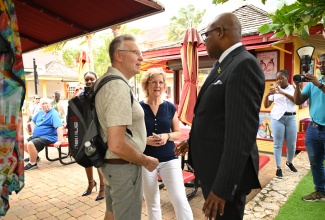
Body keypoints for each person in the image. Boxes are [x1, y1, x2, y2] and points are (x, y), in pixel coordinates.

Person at [176, 13, 265, 219]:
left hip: (224, 178)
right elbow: (217, 118)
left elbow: (240, 135)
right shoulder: (222, 65)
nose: (204, 41)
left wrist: (222, 189)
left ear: (221, 32)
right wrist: (193, 140)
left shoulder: (243, 65)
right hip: (213, 169)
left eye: (206, 35)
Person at [94, 34, 159, 220]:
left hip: (110, 164)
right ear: (119, 56)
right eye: (136, 52)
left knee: (112, 214)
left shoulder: (105, 81)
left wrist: (140, 140)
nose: (141, 58)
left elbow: (111, 132)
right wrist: (146, 161)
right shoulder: (117, 86)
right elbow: (117, 144)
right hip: (123, 167)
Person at [139, 68, 193, 220]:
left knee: (180, 198)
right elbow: (132, 136)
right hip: (146, 160)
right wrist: (145, 140)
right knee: (152, 202)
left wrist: (166, 136)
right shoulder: (138, 107)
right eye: (154, 82)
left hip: (169, 158)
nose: (158, 85)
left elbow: (178, 133)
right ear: (147, 85)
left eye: (161, 82)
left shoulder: (170, 107)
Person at [293, 53, 325, 202]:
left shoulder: (317, 82)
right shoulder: (313, 83)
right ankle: (321, 191)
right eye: (321, 63)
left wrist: (319, 84)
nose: (322, 65)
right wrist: (298, 86)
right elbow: (298, 100)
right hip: (313, 128)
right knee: (315, 162)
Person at [76, 71, 105, 201]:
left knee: (97, 160)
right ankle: (91, 183)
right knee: (86, 158)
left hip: (98, 131)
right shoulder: (81, 95)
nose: (89, 82)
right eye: (86, 79)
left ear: (96, 79)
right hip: (85, 131)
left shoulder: (101, 92)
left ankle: (103, 188)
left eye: (91, 79)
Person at [263, 70, 298, 178]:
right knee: (278, 144)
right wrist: (268, 94)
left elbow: (297, 101)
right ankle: (278, 168)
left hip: (291, 118)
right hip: (277, 118)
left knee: (292, 145)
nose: (279, 81)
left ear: (287, 77)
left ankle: (289, 162)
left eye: (281, 78)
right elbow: (266, 105)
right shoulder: (275, 90)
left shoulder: (294, 88)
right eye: (277, 79)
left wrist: (283, 93)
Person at [24, 97, 64, 171]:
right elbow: (32, 121)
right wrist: (33, 130)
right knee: (23, 144)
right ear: (40, 105)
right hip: (37, 136)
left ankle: (32, 163)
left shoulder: (54, 114)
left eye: (46, 103)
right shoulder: (40, 112)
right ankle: (35, 157)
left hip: (49, 137)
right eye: (43, 104)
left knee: (30, 144)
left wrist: (60, 140)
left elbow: (59, 127)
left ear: (50, 104)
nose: (45, 105)